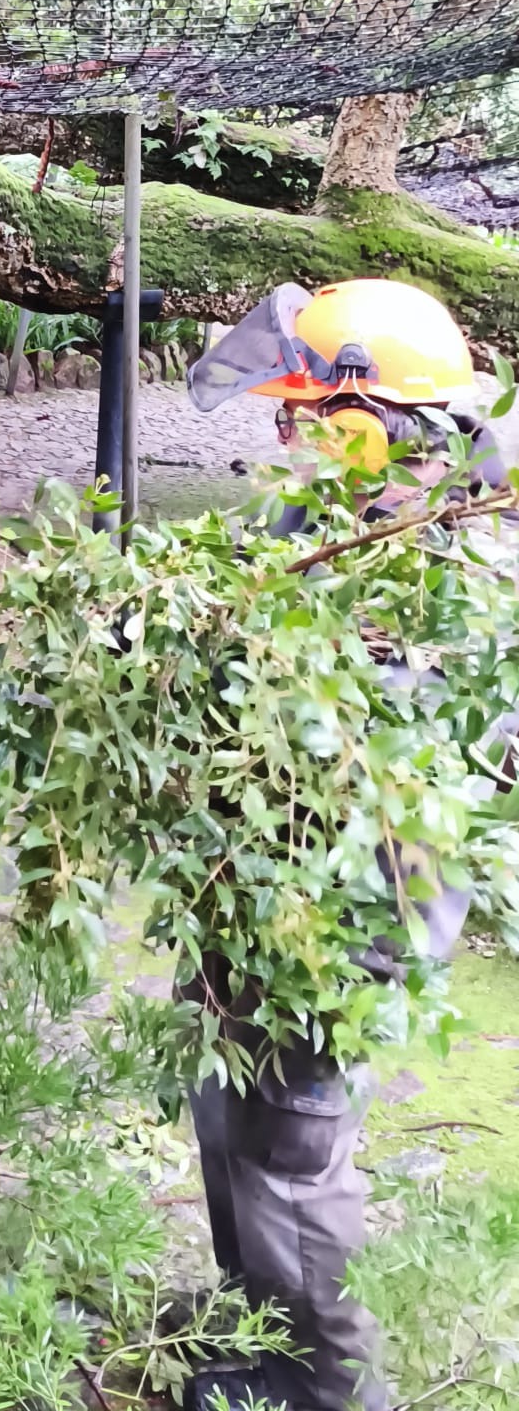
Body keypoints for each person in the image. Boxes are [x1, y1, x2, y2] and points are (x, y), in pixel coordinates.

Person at [183, 278, 506, 1411]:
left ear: (373, 421)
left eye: (305, 417)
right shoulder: (330, 513)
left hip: (352, 906)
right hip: (261, 881)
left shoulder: (459, 570)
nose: (286, 437)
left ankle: (320, 1385)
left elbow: (368, 745)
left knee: (292, 1147)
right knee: (225, 1100)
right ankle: (253, 1324)